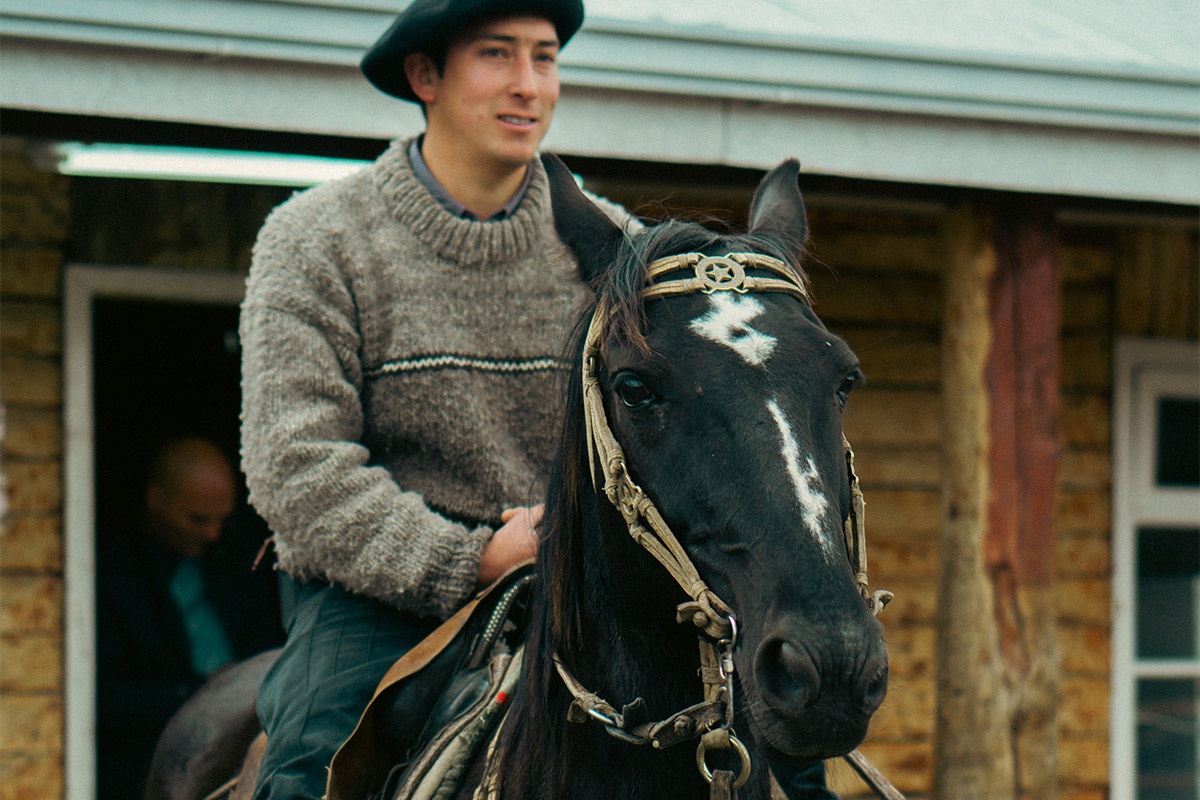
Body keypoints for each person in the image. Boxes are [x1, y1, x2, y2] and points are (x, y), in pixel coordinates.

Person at [238, 1, 630, 797]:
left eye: (544, 57)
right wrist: (476, 558)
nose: (529, 86)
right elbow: (296, 470)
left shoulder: (616, 251)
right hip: (375, 601)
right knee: (310, 762)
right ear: (425, 76)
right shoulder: (315, 239)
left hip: (586, 593)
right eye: (496, 54)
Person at [95, 437, 283, 800]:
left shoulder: (233, 552)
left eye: (220, 521)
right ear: (154, 500)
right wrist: (200, 689)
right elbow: (106, 697)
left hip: (251, 728)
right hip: (155, 757)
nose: (212, 533)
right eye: (197, 519)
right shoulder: (110, 572)